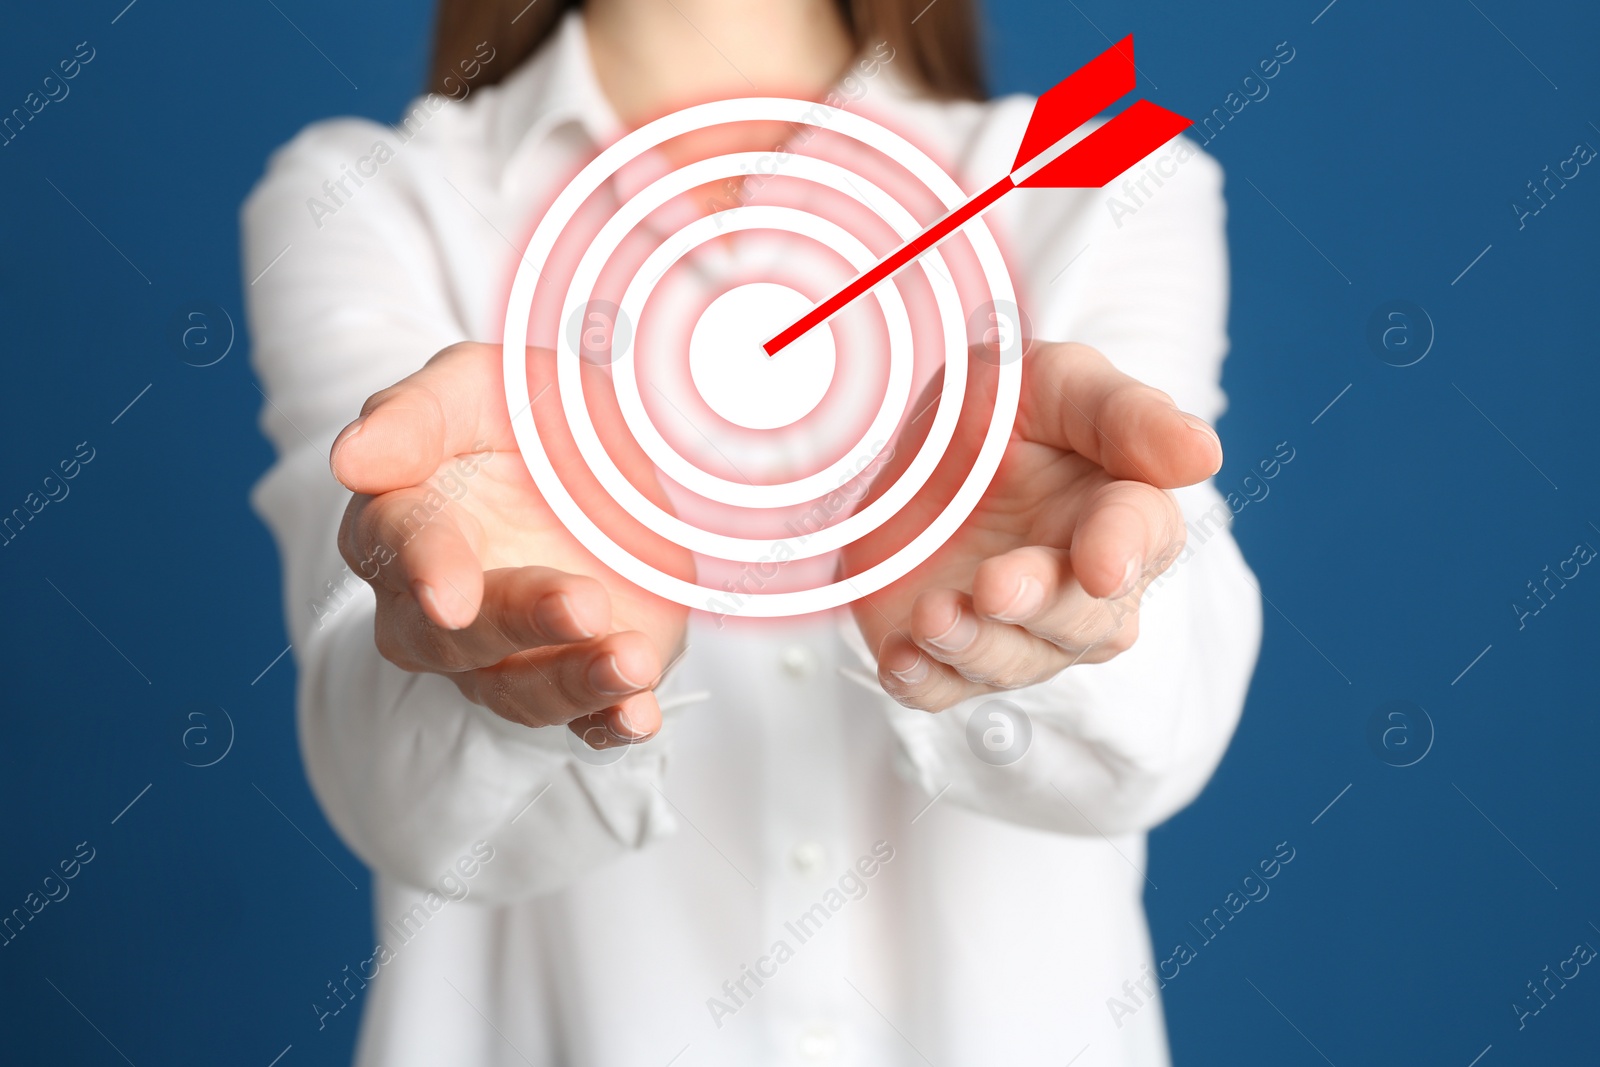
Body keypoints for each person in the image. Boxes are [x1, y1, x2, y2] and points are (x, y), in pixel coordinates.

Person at [244, 0, 1261, 1063]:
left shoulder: (1094, 175)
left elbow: (1157, 741)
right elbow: (397, 800)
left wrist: (1061, 602)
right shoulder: (369, 200)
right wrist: (529, 656)